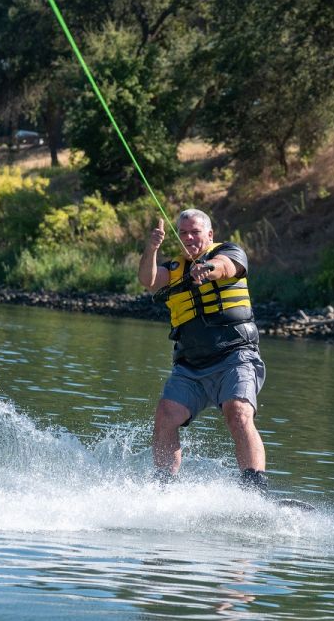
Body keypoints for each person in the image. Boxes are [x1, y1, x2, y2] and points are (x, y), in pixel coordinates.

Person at [138, 208, 269, 492]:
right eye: (183, 233)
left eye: (195, 232)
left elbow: (225, 266)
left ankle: (254, 490)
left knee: (237, 412)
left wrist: (207, 269)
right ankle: (164, 488)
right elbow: (148, 280)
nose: (188, 238)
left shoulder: (230, 252)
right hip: (190, 365)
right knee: (165, 414)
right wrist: (151, 249)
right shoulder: (174, 269)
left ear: (209, 234)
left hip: (235, 356)